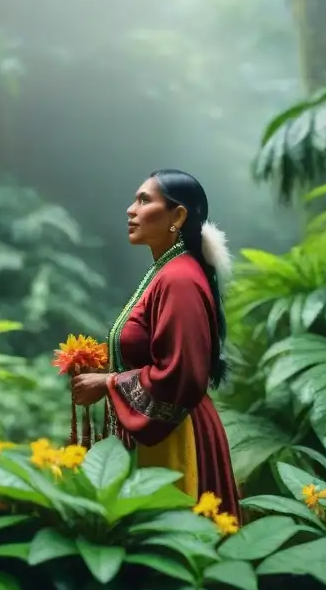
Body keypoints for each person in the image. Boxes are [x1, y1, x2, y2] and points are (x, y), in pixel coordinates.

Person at [71, 169, 240, 519]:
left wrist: (108, 383)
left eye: (144, 200)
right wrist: (108, 366)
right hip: (164, 432)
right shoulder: (167, 270)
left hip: (175, 437)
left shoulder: (178, 279)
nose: (131, 210)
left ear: (177, 216)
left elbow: (181, 374)